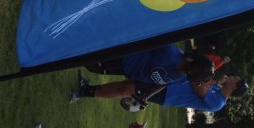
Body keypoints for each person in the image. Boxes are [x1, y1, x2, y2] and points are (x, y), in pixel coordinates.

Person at [70, 46, 215, 103]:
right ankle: (65, 55)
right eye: (196, 76)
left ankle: (68, 60)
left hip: (128, 70)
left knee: (93, 68)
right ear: (193, 66)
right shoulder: (170, 52)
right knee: (92, 64)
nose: (196, 82)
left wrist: (147, 95)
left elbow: (163, 83)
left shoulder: (183, 78)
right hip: (124, 57)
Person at [139, 75, 249, 112]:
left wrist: (215, 81)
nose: (230, 77)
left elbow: (197, 84)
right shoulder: (216, 87)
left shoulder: (218, 103)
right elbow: (201, 80)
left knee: (130, 89)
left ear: (234, 86)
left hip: (168, 95)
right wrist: (215, 82)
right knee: (132, 82)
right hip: (171, 82)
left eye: (233, 78)